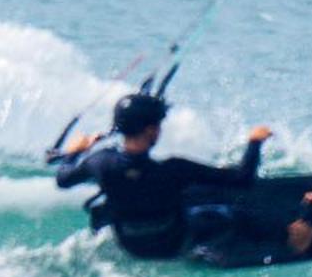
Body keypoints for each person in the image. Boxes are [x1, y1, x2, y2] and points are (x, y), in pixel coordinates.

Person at [53, 92, 270, 259]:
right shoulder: (175, 169)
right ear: (150, 131)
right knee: (230, 213)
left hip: (131, 245)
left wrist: (74, 152)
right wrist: (255, 141)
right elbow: (243, 179)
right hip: (172, 244)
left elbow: (63, 179)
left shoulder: (100, 161)